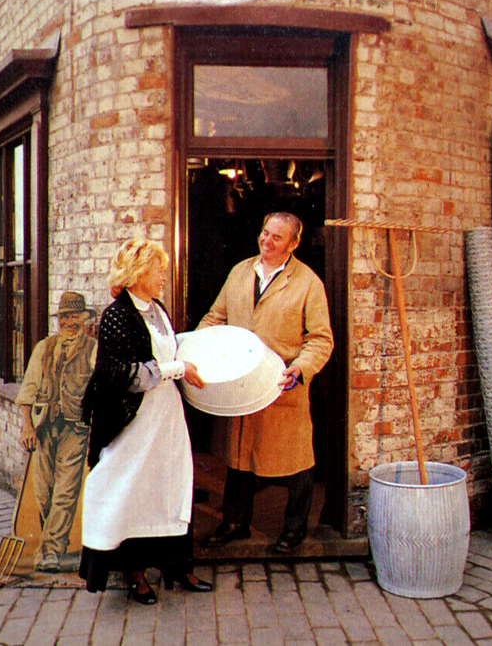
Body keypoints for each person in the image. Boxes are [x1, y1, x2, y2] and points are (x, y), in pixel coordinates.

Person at [78, 238, 212, 604]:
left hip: (166, 415)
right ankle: (136, 574)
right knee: (133, 488)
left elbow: (169, 349)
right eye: (158, 271)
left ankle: (179, 567)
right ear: (137, 274)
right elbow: (121, 374)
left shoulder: (158, 308)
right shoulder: (117, 315)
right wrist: (177, 368)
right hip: (135, 420)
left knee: (172, 484)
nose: (163, 277)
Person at [199, 212, 334, 553]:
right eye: (265, 232)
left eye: (277, 237)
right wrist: (198, 348)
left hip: (282, 384)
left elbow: (321, 339)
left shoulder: (308, 282)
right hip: (243, 384)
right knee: (239, 457)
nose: (266, 240)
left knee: (296, 463)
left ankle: (294, 528)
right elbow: (216, 317)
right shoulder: (240, 272)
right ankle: (235, 524)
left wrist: (300, 368)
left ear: (294, 243)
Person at [15, 291, 97, 573]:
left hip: (76, 428)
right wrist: (27, 425)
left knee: (65, 491)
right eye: (65, 317)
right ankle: (53, 543)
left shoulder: (93, 349)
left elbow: (100, 391)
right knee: (44, 492)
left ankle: (50, 551)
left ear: (84, 319)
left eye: (75, 316)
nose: (70, 322)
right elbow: (28, 389)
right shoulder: (44, 347)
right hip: (45, 426)